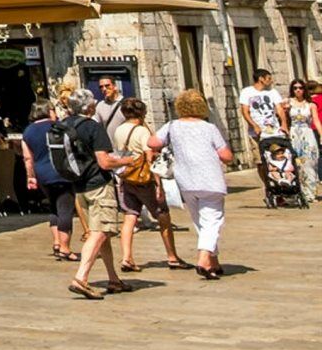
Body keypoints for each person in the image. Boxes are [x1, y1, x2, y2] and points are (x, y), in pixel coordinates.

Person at [148, 88, 233, 278]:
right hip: (210, 179)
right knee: (212, 220)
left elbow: (152, 142)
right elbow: (226, 156)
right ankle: (203, 259)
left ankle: (214, 262)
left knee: (201, 222)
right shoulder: (208, 128)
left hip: (186, 180)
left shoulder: (172, 126)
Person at [59, 89, 134, 299]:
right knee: (100, 232)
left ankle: (113, 279)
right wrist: (128, 160)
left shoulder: (63, 125)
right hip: (98, 185)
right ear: (90, 107)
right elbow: (105, 161)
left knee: (101, 232)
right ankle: (81, 278)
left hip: (78, 187)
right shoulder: (92, 126)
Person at [111, 98, 184, 273]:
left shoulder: (119, 130)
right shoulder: (142, 131)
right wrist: (158, 185)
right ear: (142, 113)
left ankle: (127, 257)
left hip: (127, 177)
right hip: (144, 180)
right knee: (163, 216)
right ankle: (172, 256)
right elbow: (150, 158)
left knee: (130, 216)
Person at [18, 99, 75, 261]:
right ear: (49, 110)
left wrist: (30, 177)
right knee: (65, 209)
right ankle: (65, 247)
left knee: (53, 208)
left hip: (42, 173)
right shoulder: (59, 127)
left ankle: (56, 242)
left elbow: (27, 157)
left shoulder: (28, 131)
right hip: (61, 172)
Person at [237, 68, 283, 193]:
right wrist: (254, 125)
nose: (271, 81)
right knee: (260, 160)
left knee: (278, 157)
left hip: (273, 131)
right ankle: (267, 185)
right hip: (256, 133)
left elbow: (279, 109)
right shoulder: (247, 92)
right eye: (268, 78)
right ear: (261, 79)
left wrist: (283, 124)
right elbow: (244, 111)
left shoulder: (273, 92)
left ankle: (279, 183)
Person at [284, 79, 319, 204]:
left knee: (309, 163)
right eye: (295, 88)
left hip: (307, 134)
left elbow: (316, 120)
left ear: (304, 89)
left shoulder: (310, 105)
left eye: (300, 87)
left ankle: (310, 193)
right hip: (294, 134)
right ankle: (297, 192)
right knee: (296, 164)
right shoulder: (288, 103)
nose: (298, 90)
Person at [91, 76, 126, 145]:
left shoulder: (126, 104)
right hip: (110, 148)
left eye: (107, 86)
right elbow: (95, 125)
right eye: (101, 87)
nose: (104, 89)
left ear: (115, 86)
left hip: (127, 148)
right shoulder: (100, 105)